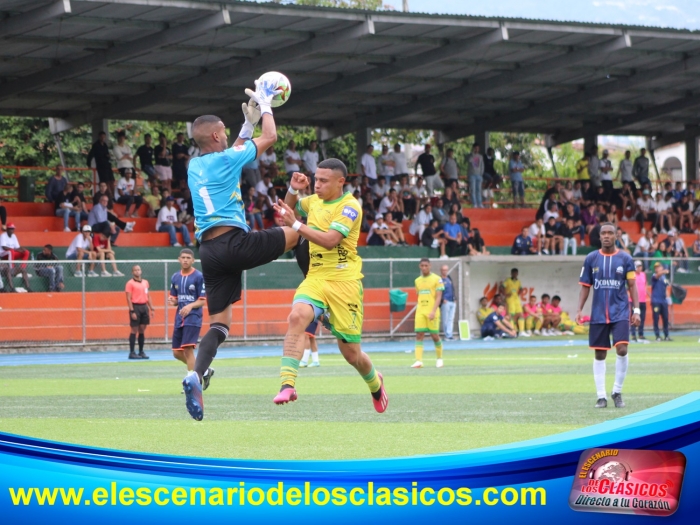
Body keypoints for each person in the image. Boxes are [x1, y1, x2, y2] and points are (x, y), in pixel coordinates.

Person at [182, 85, 301, 421]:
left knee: (220, 324)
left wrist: (246, 126)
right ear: (216, 135)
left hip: (209, 251)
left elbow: (233, 150)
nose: (226, 135)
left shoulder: (195, 165)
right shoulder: (227, 158)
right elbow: (271, 136)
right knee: (299, 232)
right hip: (234, 242)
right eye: (224, 131)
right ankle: (318, 294)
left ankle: (196, 375)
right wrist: (265, 104)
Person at [272, 158, 388, 412]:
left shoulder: (350, 207)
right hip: (316, 278)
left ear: (340, 182)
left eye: (324, 181)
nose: (317, 185)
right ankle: (287, 385)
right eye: (316, 179)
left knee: (352, 355)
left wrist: (295, 224)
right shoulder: (313, 201)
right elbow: (288, 211)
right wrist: (293, 190)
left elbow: (329, 240)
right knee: (297, 316)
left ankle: (375, 383)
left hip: (344, 283)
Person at [576, 222, 640, 409]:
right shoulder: (591, 258)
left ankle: (617, 392)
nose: (606, 236)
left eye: (610, 233)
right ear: (599, 236)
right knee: (600, 353)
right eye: (603, 233)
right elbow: (585, 287)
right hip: (598, 314)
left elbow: (632, 286)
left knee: (622, 349)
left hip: (620, 311)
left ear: (616, 236)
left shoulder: (625, 258)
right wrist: (579, 309)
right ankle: (601, 396)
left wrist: (636, 311)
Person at [169, 249, 207, 376]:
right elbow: (175, 299)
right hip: (179, 318)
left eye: (188, 258)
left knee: (187, 349)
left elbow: (202, 301)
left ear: (193, 260)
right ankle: (202, 370)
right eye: (183, 257)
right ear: (179, 259)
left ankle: (191, 381)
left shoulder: (199, 277)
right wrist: (173, 301)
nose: (185, 260)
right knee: (176, 352)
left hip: (193, 318)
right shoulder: (175, 277)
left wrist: (190, 306)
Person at [411, 258, 445, 368]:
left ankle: (439, 358)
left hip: (432, 311)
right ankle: (418, 361)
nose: (424, 268)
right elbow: (419, 295)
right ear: (419, 267)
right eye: (422, 266)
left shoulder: (437, 279)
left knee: (434, 335)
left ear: (430, 266)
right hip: (421, 311)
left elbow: (439, 296)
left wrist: (433, 311)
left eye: (426, 265)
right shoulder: (417, 281)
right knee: (419, 334)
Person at [125, 264, 155, 360]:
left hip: (144, 307)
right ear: (132, 272)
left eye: (138, 270)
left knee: (142, 329)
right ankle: (132, 352)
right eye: (135, 270)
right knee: (134, 329)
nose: (137, 271)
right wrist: (132, 311)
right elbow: (128, 298)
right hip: (135, 306)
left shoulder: (145, 282)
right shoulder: (130, 283)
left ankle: (141, 351)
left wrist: (151, 308)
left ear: (141, 271)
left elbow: (148, 296)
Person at [0, 223, 31, 292]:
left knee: (26, 252)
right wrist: (15, 250)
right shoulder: (3, 236)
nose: (12, 230)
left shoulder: (14, 236)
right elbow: (4, 247)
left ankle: (23, 267)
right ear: (7, 229)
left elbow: (17, 247)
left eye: (13, 229)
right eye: (10, 229)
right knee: (11, 251)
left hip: (12, 252)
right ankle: (12, 268)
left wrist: (22, 249)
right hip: (3, 254)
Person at [501, 268, 527, 336]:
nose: (515, 274)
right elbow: (502, 287)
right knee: (511, 315)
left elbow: (521, 288)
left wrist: (518, 294)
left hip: (516, 299)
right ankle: (513, 331)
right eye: (513, 273)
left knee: (521, 314)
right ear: (511, 273)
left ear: (517, 274)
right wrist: (505, 294)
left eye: (516, 273)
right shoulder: (508, 280)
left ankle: (521, 331)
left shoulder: (518, 281)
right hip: (510, 299)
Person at [650, 262, 672, 342]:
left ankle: (666, 335)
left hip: (663, 301)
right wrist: (663, 271)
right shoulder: (654, 276)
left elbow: (666, 288)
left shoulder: (664, 277)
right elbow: (657, 276)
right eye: (656, 267)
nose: (657, 268)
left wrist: (668, 298)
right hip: (656, 300)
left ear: (662, 267)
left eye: (658, 267)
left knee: (665, 318)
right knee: (656, 318)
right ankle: (657, 336)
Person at [630, 260, 649, 344]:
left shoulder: (643, 274)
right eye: (637, 266)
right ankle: (633, 334)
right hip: (634, 300)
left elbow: (645, 285)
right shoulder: (632, 275)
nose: (639, 268)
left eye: (640, 266)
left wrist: (647, 294)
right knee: (634, 317)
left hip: (642, 300)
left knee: (642, 318)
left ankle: (641, 334)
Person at [439, 264, 456, 340]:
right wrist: (442, 299)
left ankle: (450, 334)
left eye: (446, 270)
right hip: (445, 301)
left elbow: (452, 289)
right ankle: (447, 335)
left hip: (452, 301)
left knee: (451, 319)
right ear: (441, 271)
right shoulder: (440, 280)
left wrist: (455, 298)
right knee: (445, 319)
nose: (445, 271)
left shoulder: (449, 278)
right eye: (443, 270)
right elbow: (438, 291)